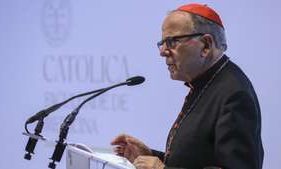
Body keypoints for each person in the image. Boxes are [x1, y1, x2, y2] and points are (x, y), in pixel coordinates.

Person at [111, 3, 264, 169]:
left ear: (205, 45)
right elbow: (196, 160)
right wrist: (150, 156)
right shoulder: (204, 84)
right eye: (162, 42)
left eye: (172, 41)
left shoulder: (234, 94)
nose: (162, 51)